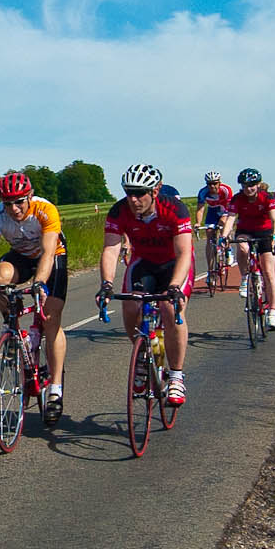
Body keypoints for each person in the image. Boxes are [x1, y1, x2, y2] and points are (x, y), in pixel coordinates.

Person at [0, 171, 69, 425]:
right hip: (21, 256)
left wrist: (39, 283)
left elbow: (47, 252)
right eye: (7, 203)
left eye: (19, 201)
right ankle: (11, 323)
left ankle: (55, 388)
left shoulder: (46, 210)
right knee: (0, 277)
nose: (13, 208)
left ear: (30, 196)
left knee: (51, 321)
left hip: (51, 257)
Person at [96, 163, 194, 406]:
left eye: (139, 193)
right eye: (128, 192)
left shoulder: (175, 209)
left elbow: (184, 253)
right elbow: (111, 249)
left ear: (155, 190)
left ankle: (176, 376)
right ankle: (142, 355)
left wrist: (174, 287)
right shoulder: (119, 211)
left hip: (174, 264)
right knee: (130, 306)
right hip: (145, 262)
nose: (133, 198)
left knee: (171, 309)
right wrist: (106, 284)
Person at [218, 167, 275, 330]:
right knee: (243, 248)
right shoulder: (237, 199)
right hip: (245, 231)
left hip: (265, 232)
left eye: (252, 185)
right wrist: (223, 237)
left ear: (258, 184)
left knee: (268, 272)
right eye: (245, 185)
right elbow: (231, 219)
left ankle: (273, 312)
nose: (249, 188)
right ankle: (246, 276)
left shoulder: (267, 197)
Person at [195, 170, 234, 268]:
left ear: (219, 183)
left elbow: (230, 208)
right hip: (212, 211)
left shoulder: (226, 190)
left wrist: (227, 220)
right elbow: (200, 209)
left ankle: (228, 250)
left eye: (214, 183)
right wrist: (198, 223)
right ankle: (210, 269)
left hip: (224, 210)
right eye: (209, 184)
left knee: (223, 224)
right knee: (209, 234)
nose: (212, 186)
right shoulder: (203, 192)